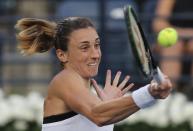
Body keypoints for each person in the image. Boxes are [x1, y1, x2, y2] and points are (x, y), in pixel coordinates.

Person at [15, 17, 172, 131]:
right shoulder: (64, 79)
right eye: (84, 48)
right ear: (62, 55)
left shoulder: (93, 99)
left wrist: (110, 105)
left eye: (97, 45)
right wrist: (149, 92)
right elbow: (98, 115)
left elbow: (103, 114)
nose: (95, 54)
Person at [152, 0, 193, 89]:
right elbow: (158, 24)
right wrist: (185, 34)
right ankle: (169, 93)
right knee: (172, 46)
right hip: (174, 41)